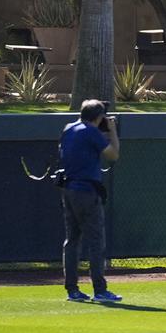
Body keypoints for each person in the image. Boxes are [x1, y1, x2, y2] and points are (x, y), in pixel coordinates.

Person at [58, 99, 121, 304]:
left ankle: (72, 290)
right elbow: (113, 154)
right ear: (98, 117)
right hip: (86, 192)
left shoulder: (69, 128)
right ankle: (100, 290)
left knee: (72, 240)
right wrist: (111, 131)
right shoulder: (92, 132)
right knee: (96, 241)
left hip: (68, 190)